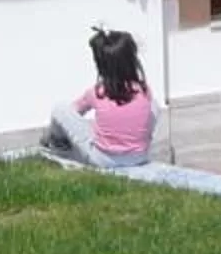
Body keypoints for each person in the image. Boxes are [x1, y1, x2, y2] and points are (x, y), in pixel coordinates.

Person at [44, 27, 157, 168]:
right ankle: (138, 143)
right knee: (154, 105)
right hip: (139, 157)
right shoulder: (144, 90)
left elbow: (73, 111)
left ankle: (57, 145)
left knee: (60, 109)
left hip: (104, 159)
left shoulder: (97, 92)